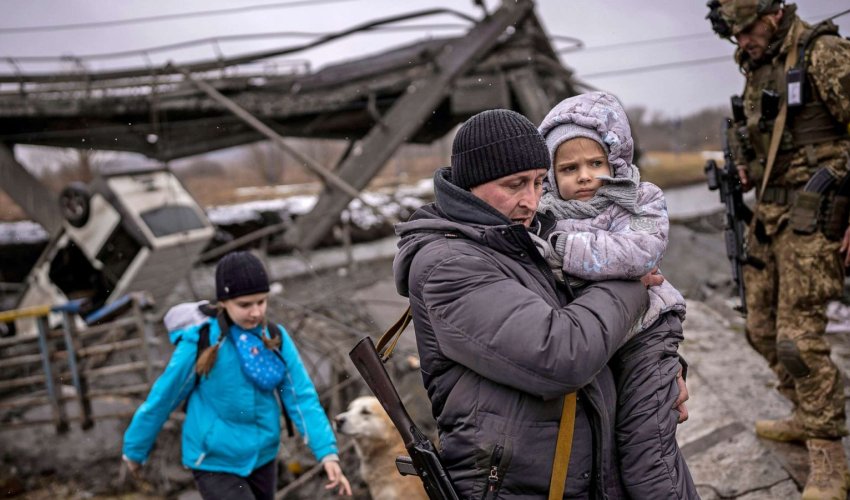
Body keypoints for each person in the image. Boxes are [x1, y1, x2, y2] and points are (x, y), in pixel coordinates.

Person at [392, 108, 686, 498]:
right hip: (520, 486)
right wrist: (632, 284)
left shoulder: (521, 236)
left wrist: (662, 370)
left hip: (577, 475)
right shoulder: (448, 265)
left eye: (537, 182)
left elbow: (596, 324)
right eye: (515, 185)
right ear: (470, 184)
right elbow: (562, 353)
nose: (531, 201)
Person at [707, 1, 850, 497]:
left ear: (771, 15)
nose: (742, 43)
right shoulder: (760, 66)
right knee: (760, 328)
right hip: (770, 218)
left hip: (817, 216)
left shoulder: (824, 53)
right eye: (735, 36)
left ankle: (828, 456)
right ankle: (806, 410)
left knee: (796, 339)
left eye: (746, 31)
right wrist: (744, 165)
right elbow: (765, 140)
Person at [533, 91, 698, 499]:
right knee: (608, 460)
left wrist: (564, 250)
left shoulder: (640, 200)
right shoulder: (544, 214)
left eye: (595, 163)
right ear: (552, 175)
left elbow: (638, 253)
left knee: (647, 453)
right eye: (569, 168)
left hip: (646, 334)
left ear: (615, 161)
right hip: (600, 341)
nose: (585, 176)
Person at [122, 251, 352, 499]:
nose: (255, 312)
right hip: (214, 459)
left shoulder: (274, 337)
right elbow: (164, 397)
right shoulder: (201, 342)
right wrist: (135, 450)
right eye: (245, 305)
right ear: (224, 302)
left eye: (261, 302)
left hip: (263, 456)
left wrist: (327, 453)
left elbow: (300, 397)